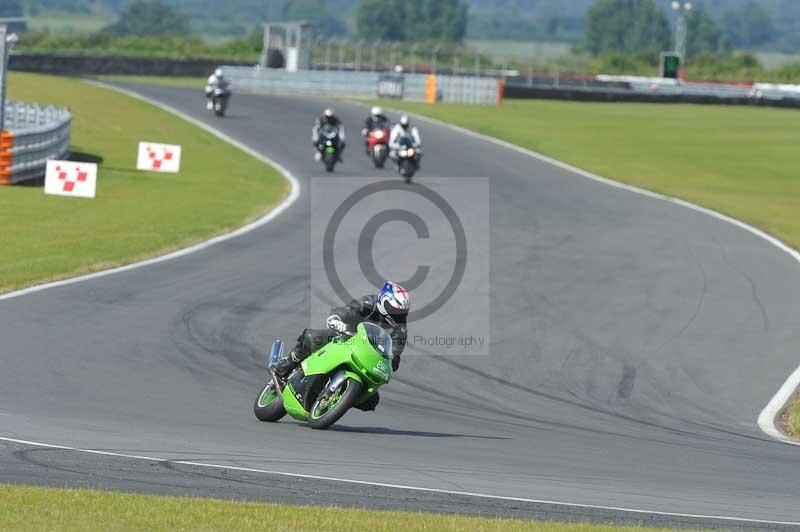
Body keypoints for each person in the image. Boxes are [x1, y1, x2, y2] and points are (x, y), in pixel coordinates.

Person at [272, 281, 410, 411]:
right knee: (313, 338)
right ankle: (285, 367)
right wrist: (337, 318)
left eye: (402, 313)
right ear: (383, 302)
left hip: (367, 358)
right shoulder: (369, 303)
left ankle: (340, 400)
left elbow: (395, 354)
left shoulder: (400, 329)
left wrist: (390, 362)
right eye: (394, 310)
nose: (398, 316)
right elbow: (348, 310)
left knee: (371, 401)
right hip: (344, 338)